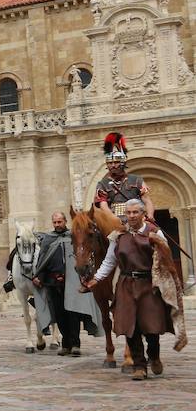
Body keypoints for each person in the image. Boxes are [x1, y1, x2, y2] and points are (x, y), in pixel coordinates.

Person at [87, 199, 187, 380]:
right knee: (130, 326)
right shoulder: (118, 235)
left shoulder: (155, 233)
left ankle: (154, 356)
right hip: (126, 284)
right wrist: (97, 278)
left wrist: (170, 282)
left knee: (150, 326)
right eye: (129, 213)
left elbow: (166, 260)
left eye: (135, 212)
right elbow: (110, 261)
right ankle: (139, 366)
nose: (131, 216)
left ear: (143, 214)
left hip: (149, 284)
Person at [32, 212, 103, 356]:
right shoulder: (48, 239)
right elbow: (42, 260)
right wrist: (39, 276)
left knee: (73, 313)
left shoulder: (73, 236)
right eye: (55, 222)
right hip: (53, 282)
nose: (57, 225)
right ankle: (66, 344)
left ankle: (76, 344)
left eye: (60, 222)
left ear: (65, 221)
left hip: (71, 282)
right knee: (59, 315)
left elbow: (81, 256)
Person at [95, 133, 154, 222]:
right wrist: (114, 219)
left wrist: (150, 215)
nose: (113, 165)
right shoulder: (103, 184)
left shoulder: (136, 180)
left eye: (116, 162)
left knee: (156, 233)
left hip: (137, 218)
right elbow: (103, 205)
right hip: (114, 220)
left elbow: (146, 200)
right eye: (110, 163)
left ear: (123, 163)